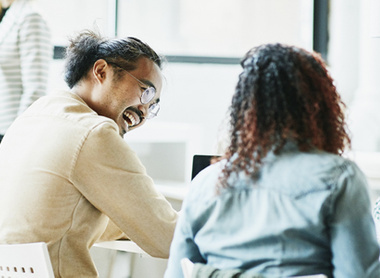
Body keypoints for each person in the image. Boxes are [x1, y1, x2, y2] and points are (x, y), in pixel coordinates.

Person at [165, 43, 380, 278]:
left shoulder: (205, 183)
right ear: (319, 106)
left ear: (245, 107)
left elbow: (177, 273)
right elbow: (358, 274)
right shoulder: (339, 178)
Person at [0, 29, 178, 277]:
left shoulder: (30, 119)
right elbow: (166, 238)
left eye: (153, 105)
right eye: (146, 92)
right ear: (101, 71)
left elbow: (61, 218)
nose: (145, 112)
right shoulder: (93, 132)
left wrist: (137, 221)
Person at [0, 0, 52, 142]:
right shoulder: (7, 15)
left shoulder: (30, 18)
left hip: (11, 131)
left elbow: (35, 88)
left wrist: (17, 135)